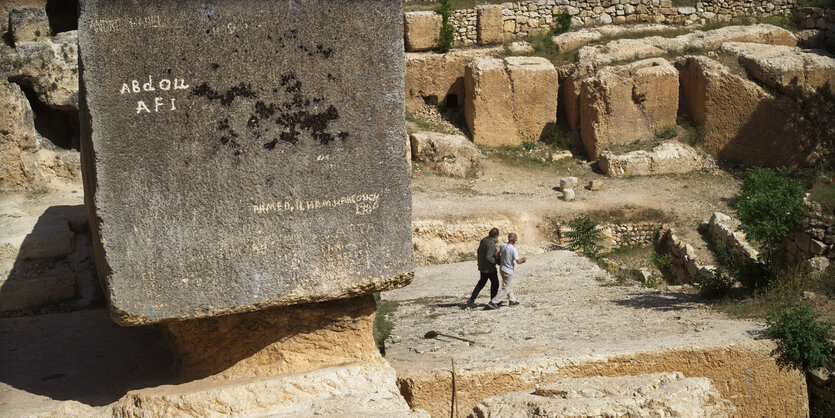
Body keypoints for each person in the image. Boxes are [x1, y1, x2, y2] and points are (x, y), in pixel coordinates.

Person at [485, 233, 526, 310]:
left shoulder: (503, 245)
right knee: (506, 288)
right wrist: (523, 260)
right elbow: (518, 261)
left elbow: (496, 253)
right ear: (514, 239)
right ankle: (493, 302)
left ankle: (512, 301)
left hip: (502, 268)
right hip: (508, 270)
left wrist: (500, 259)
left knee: (508, 285)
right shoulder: (513, 249)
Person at [467, 228, 500, 308]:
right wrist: (496, 262)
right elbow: (489, 257)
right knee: (495, 284)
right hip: (489, 268)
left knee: (481, 283)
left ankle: (471, 300)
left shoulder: (484, 240)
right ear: (496, 236)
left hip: (483, 266)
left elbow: (479, 251)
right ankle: (493, 301)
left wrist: (480, 261)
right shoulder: (491, 243)